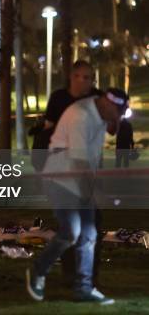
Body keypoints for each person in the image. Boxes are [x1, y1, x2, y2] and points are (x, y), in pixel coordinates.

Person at [26, 88, 129, 305]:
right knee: (71, 232)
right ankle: (37, 270)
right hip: (60, 178)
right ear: (108, 104)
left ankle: (84, 288)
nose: (117, 118)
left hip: (78, 178)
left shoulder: (100, 110)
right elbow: (79, 161)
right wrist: (97, 193)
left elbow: (109, 131)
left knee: (89, 233)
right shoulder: (81, 116)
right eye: (117, 113)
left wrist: (116, 121)